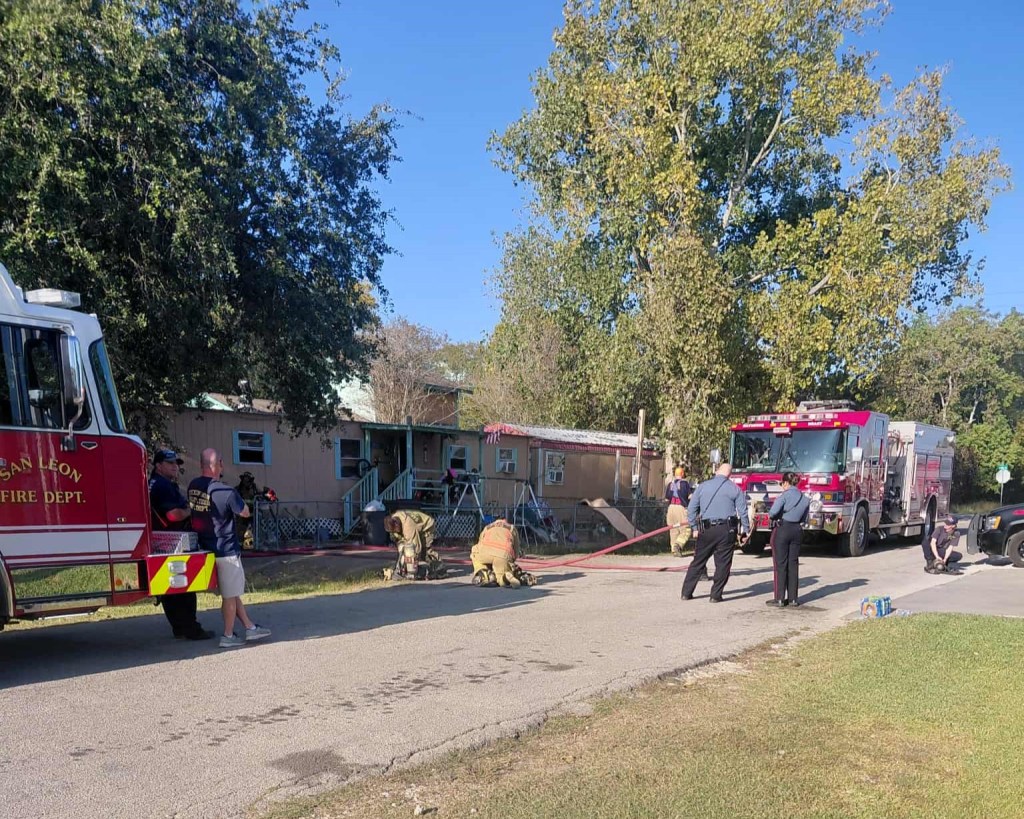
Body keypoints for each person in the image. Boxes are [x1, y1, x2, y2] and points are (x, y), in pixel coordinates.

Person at [188, 448, 271, 648]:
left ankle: (250, 627)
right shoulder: (226, 492)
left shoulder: (193, 486)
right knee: (229, 596)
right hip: (226, 550)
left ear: (201, 465)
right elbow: (243, 512)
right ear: (219, 465)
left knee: (232, 593)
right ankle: (227, 635)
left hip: (204, 547)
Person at [148, 449, 213, 640]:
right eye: (170, 463)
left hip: (161, 539)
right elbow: (173, 515)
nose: (175, 466)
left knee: (170, 589)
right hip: (174, 540)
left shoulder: (154, 483)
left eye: (176, 463)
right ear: (158, 466)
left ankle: (179, 627)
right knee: (185, 587)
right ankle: (191, 629)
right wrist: (191, 511)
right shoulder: (163, 485)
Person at [680, 462, 750, 603]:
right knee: (723, 564)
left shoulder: (703, 486)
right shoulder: (735, 489)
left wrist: (694, 527)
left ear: (717, 471)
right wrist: (746, 530)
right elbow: (743, 512)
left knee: (698, 561)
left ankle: (686, 593)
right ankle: (715, 595)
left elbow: (692, 508)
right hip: (727, 529)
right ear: (730, 475)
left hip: (706, 529)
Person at [765, 471, 809, 608]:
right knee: (793, 564)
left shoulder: (783, 496)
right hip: (797, 530)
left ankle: (779, 598)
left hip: (783, 529)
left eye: (781, 483)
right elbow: (804, 519)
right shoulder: (805, 499)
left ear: (785, 483)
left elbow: (772, 513)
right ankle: (793, 599)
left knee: (781, 564)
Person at [470, 518, 536, 588]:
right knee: (500, 579)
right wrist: (510, 564)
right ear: (506, 521)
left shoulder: (487, 527)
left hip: (485, 552)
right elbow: (516, 550)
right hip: (502, 555)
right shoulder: (512, 528)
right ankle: (505, 578)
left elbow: (480, 542)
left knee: (475, 552)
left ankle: (485, 573)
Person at [383, 509, 447, 580]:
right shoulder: (393, 520)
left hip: (426, 526)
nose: (394, 533)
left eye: (394, 530)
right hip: (414, 527)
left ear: (396, 524)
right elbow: (400, 544)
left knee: (425, 551)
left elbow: (415, 547)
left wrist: (412, 566)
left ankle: (440, 568)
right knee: (404, 549)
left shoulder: (408, 526)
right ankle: (413, 569)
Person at [664, 466, 693, 557]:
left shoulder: (670, 484)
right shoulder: (685, 484)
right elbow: (689, 496)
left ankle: (674, 550)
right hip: (680, 508)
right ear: (682, 474)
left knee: (673, 530)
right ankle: (678, 545)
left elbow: (666, 498)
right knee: (686, 529)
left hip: (671, 508)